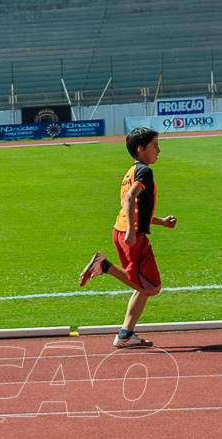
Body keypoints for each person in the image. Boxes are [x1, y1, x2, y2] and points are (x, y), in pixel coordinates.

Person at [79, 126, 177, 348]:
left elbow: (133, 208)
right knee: (152, 287)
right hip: (131, 235)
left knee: (140, 285)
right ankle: (104, 266)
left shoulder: (130, 173)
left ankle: (125, 335)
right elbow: (130, 199)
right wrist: (133, 232)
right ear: (141, 149)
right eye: (154, 146)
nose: (159, 150)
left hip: (120, 230)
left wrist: (160, 221)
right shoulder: (144, 172)